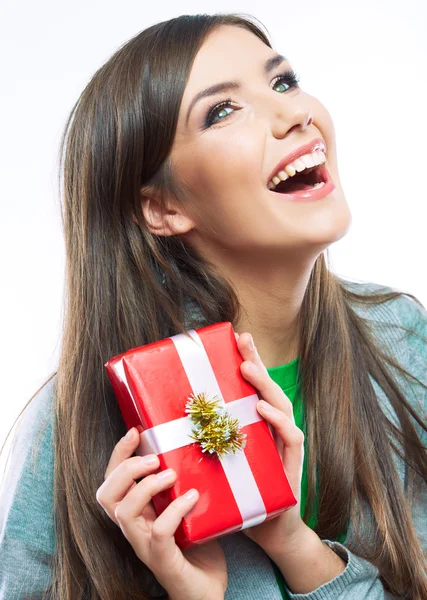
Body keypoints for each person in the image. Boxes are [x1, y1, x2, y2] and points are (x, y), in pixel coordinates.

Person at [0, 11, 426, 600]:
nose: (295, 113)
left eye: (283, 82)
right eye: (223, 110)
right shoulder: (78, 417)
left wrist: (295, 545)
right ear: (163, 208)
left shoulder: (401, 339)